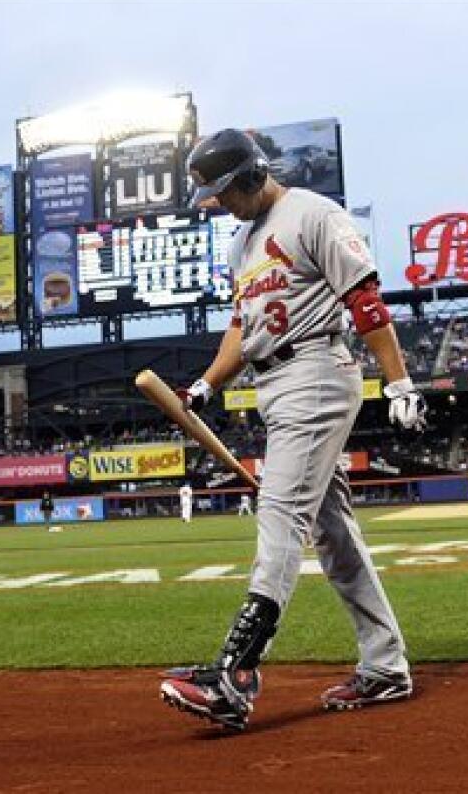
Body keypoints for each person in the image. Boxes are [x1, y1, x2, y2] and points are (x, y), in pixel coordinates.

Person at [159, 129, 426, 731]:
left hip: (316, 369)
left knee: (280, 513)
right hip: (272, 382)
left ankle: (236, 672)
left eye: (225, 193)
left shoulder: (313, 214)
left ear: (254, 175)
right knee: (333, 533)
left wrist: (400, 383)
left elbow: (365, 298)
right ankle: (385, 666)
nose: (220, 205)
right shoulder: (240, 245)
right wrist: (205, 386)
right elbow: (241, 327)